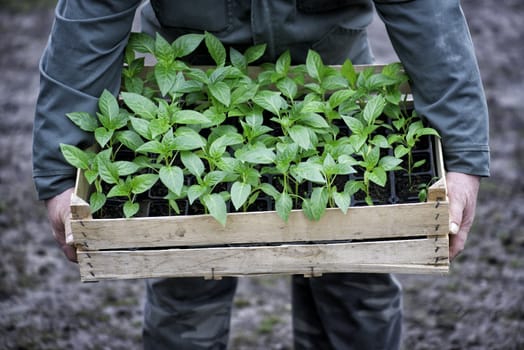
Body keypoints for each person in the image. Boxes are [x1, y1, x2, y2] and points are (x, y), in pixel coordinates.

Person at [34, 1, 489, 349]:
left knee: (357, 276)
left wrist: (463, 154)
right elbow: (89, 17)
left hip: (328, 86)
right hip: (191, 91)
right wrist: (60, 171)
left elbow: (426, 12)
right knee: (184, 278)